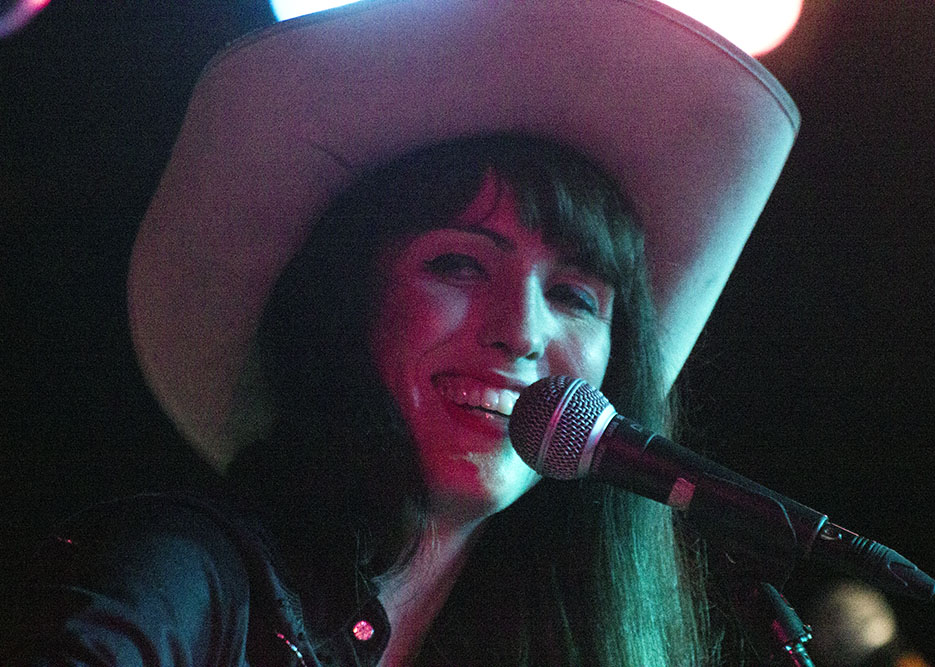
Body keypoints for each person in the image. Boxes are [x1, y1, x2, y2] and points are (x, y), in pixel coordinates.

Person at [2, 1, 799, 665]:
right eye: (458, 264)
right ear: (344, 301)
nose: (521, 332)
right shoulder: (183, 576)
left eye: (573, 295)